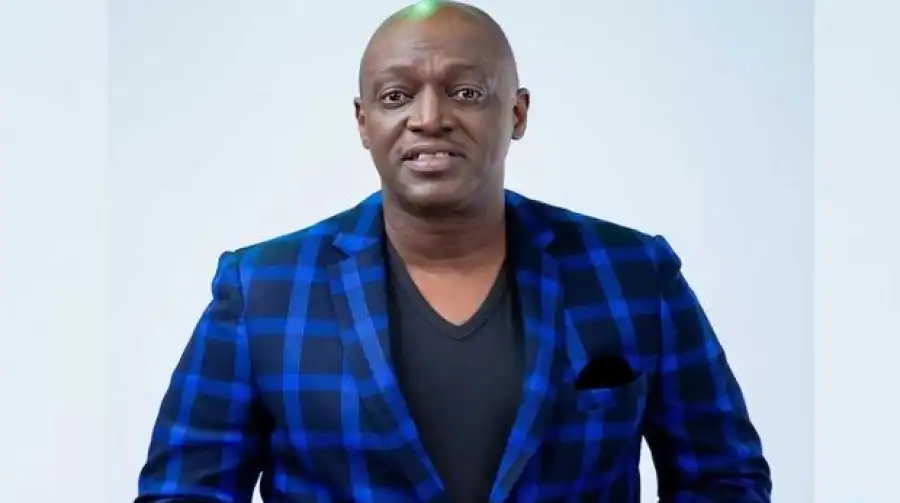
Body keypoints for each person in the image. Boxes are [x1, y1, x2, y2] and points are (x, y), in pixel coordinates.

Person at [135, 1, 772, 501]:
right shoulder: (263, 290)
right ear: (363, 122)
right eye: (396, 96)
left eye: (465, 92)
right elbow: (182, 493)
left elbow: (725, 479)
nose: (429, 117)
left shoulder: (633, 274)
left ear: (517, 113)